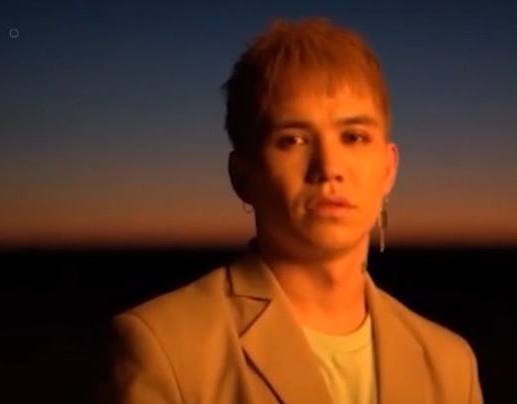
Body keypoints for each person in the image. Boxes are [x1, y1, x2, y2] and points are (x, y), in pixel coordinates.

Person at [102, 17, 483, 404]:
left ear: (388, 169)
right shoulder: (165, 348)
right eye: (293, 140)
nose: (328, 167)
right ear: (242, 175)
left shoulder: (449, 364)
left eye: (353, 137)